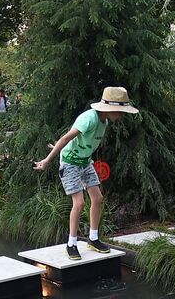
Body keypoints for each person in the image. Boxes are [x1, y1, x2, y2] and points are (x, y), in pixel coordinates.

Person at [33, 85, 139, 259]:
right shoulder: (88, 119)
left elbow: (85, 143)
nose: (121, 116)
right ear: (111, 108)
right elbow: (66, 137)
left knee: (97, 198)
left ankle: (93, 238)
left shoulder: (104, 121)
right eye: (120, 111)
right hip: (69, 163)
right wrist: (47, 160)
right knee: (80, 203)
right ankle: (71, 243)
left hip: (84, 162)